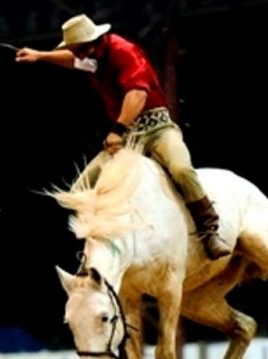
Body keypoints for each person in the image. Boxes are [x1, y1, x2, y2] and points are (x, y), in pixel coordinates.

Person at [15, 14, 229, 260]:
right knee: (82, 190)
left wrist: (117, 130)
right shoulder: (92, 55)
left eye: (80, 51)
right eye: (76, 52)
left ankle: (209, 230)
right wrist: (40, 56)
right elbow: (73, 61)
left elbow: (137, 93)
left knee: (181, 169)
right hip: (127, 136)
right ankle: (103, 248)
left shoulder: (123, 51)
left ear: (92, 44)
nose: (79, 56)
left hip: (156, 129)